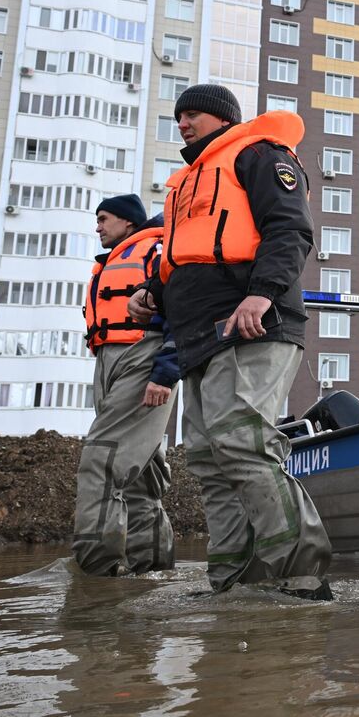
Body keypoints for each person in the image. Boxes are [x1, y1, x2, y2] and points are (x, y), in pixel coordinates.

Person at [128, 83, 332, 599]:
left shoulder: (259, 155)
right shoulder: (186, 185)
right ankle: (232, 581)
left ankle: (299, 575)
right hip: (199, 337)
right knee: (208, 458)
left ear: (222, 118)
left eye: (193, 114)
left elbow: (290, 229)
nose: (183, 124)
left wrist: (262, 294)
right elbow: (185, 255)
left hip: (253, 324)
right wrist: (153, 291)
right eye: (178, 117)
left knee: (242, 443)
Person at [73, 194, 179, 576]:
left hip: (141, 356)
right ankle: (152, 571)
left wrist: (164, 372)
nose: (97, 226)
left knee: (102, 461)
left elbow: (179, 308)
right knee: (138, 475)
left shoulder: (154, 250)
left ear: (129, 222)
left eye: (104, 218)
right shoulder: (112, 262)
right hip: (109, 362)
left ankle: (96, 576)